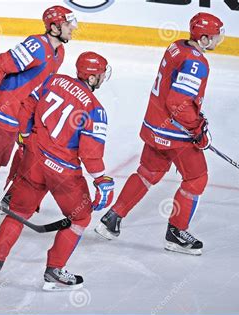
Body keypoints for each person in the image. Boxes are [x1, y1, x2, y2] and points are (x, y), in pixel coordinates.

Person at [0, 52, 114, 291]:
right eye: (102, 74)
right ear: (93, 77)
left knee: (18, 212)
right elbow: (90, 154)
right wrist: (101, 179)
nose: (103, 78)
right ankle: (54, 271)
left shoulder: (53, 80)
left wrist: (25, 133)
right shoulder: (96, 109)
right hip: (64, 172)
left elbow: (27, 105)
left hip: (33, 158)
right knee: (81, 218)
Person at [95, 13, 224, 256]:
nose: (219, 38)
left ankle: (112, 218)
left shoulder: (177, 47)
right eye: (216, 35)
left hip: (155, 126)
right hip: (176, 133)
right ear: (205, 38)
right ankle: (176, 233)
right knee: (197, 178)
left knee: (148, 172)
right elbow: (178, 101)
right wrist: (197, 129)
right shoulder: (197, 62)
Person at [0, 5, 77, 194]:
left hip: (24, 114)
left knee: (29, 151)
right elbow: (0, 64)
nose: (72, 28)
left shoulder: (60, 53)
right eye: (67, 24)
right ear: (54, 27)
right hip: (5, 112)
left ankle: (11, 195)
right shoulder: (37, 46)